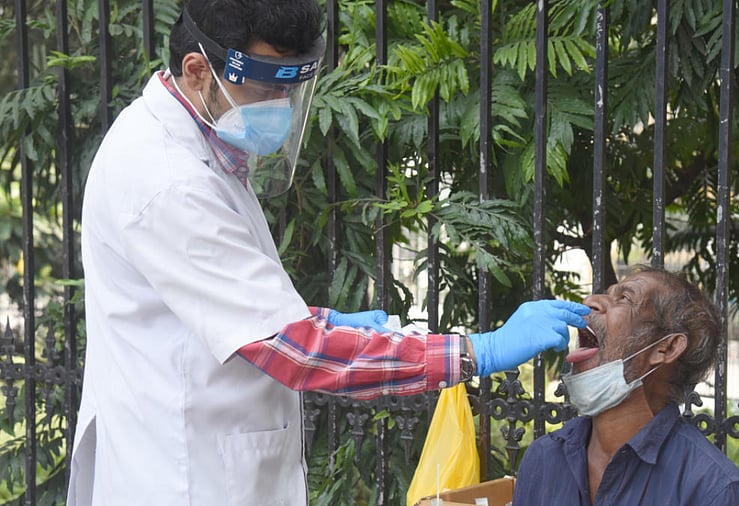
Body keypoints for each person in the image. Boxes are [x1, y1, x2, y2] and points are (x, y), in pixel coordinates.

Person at [66, 1, 590, 505]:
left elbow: (221, 301)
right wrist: (478, 352)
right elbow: (295, 352)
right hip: (184, 475)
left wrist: (323, 320)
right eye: (266, 89)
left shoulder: (197, 143)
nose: (280, 108)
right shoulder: (167, 182)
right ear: (198, 70)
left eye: (289, 91)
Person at [512, 266, 739, 505]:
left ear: (666, 348)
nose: (590, 301)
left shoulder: (711, 488)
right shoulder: (543, 459)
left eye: (624, 298)